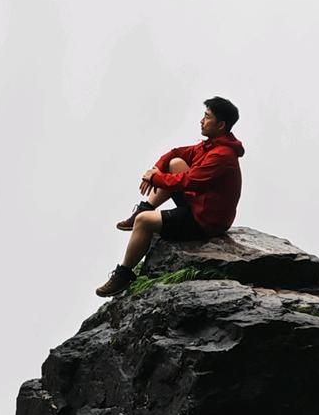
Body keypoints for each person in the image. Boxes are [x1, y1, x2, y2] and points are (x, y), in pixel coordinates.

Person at [96, 96, 245, 297]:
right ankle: (145, 207)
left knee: (144, 221)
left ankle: (124, 274)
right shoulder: (211, 145)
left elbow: (188, 182)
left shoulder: (221, 156)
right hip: (201, 203)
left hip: (206, 221)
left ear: (221, 125)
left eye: (207, 117)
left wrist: (155, 178)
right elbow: (176, 153)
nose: (201, 120)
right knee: (175, 163)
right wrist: (156, 169)